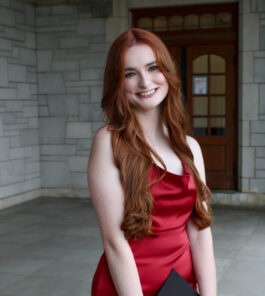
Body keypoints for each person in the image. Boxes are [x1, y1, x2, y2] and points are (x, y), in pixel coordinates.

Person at [87, 28, 217, 296]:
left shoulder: (189, 147)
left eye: (153, 67)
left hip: (179, 288)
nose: (145, 82)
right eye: (130, 73)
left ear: (167, 72)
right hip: (127, 288)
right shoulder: (109, 142)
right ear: (117, 82)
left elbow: (200, 233)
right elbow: (114, 242)